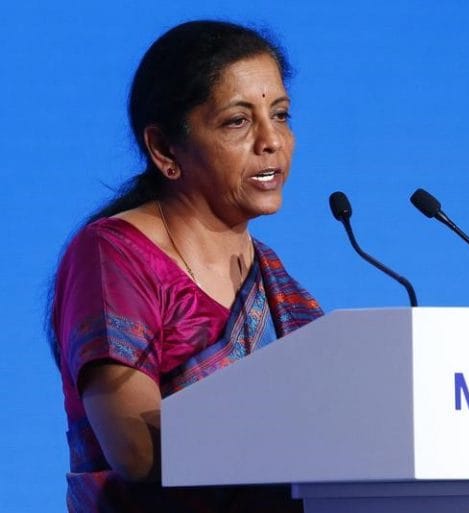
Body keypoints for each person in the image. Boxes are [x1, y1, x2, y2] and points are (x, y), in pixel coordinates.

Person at [49, 20, 323, 512]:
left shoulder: (273, 280)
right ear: (164, 148)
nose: (272, 140)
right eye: (237, 121)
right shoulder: (114, 257)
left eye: (280, 115)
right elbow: (137, 449)